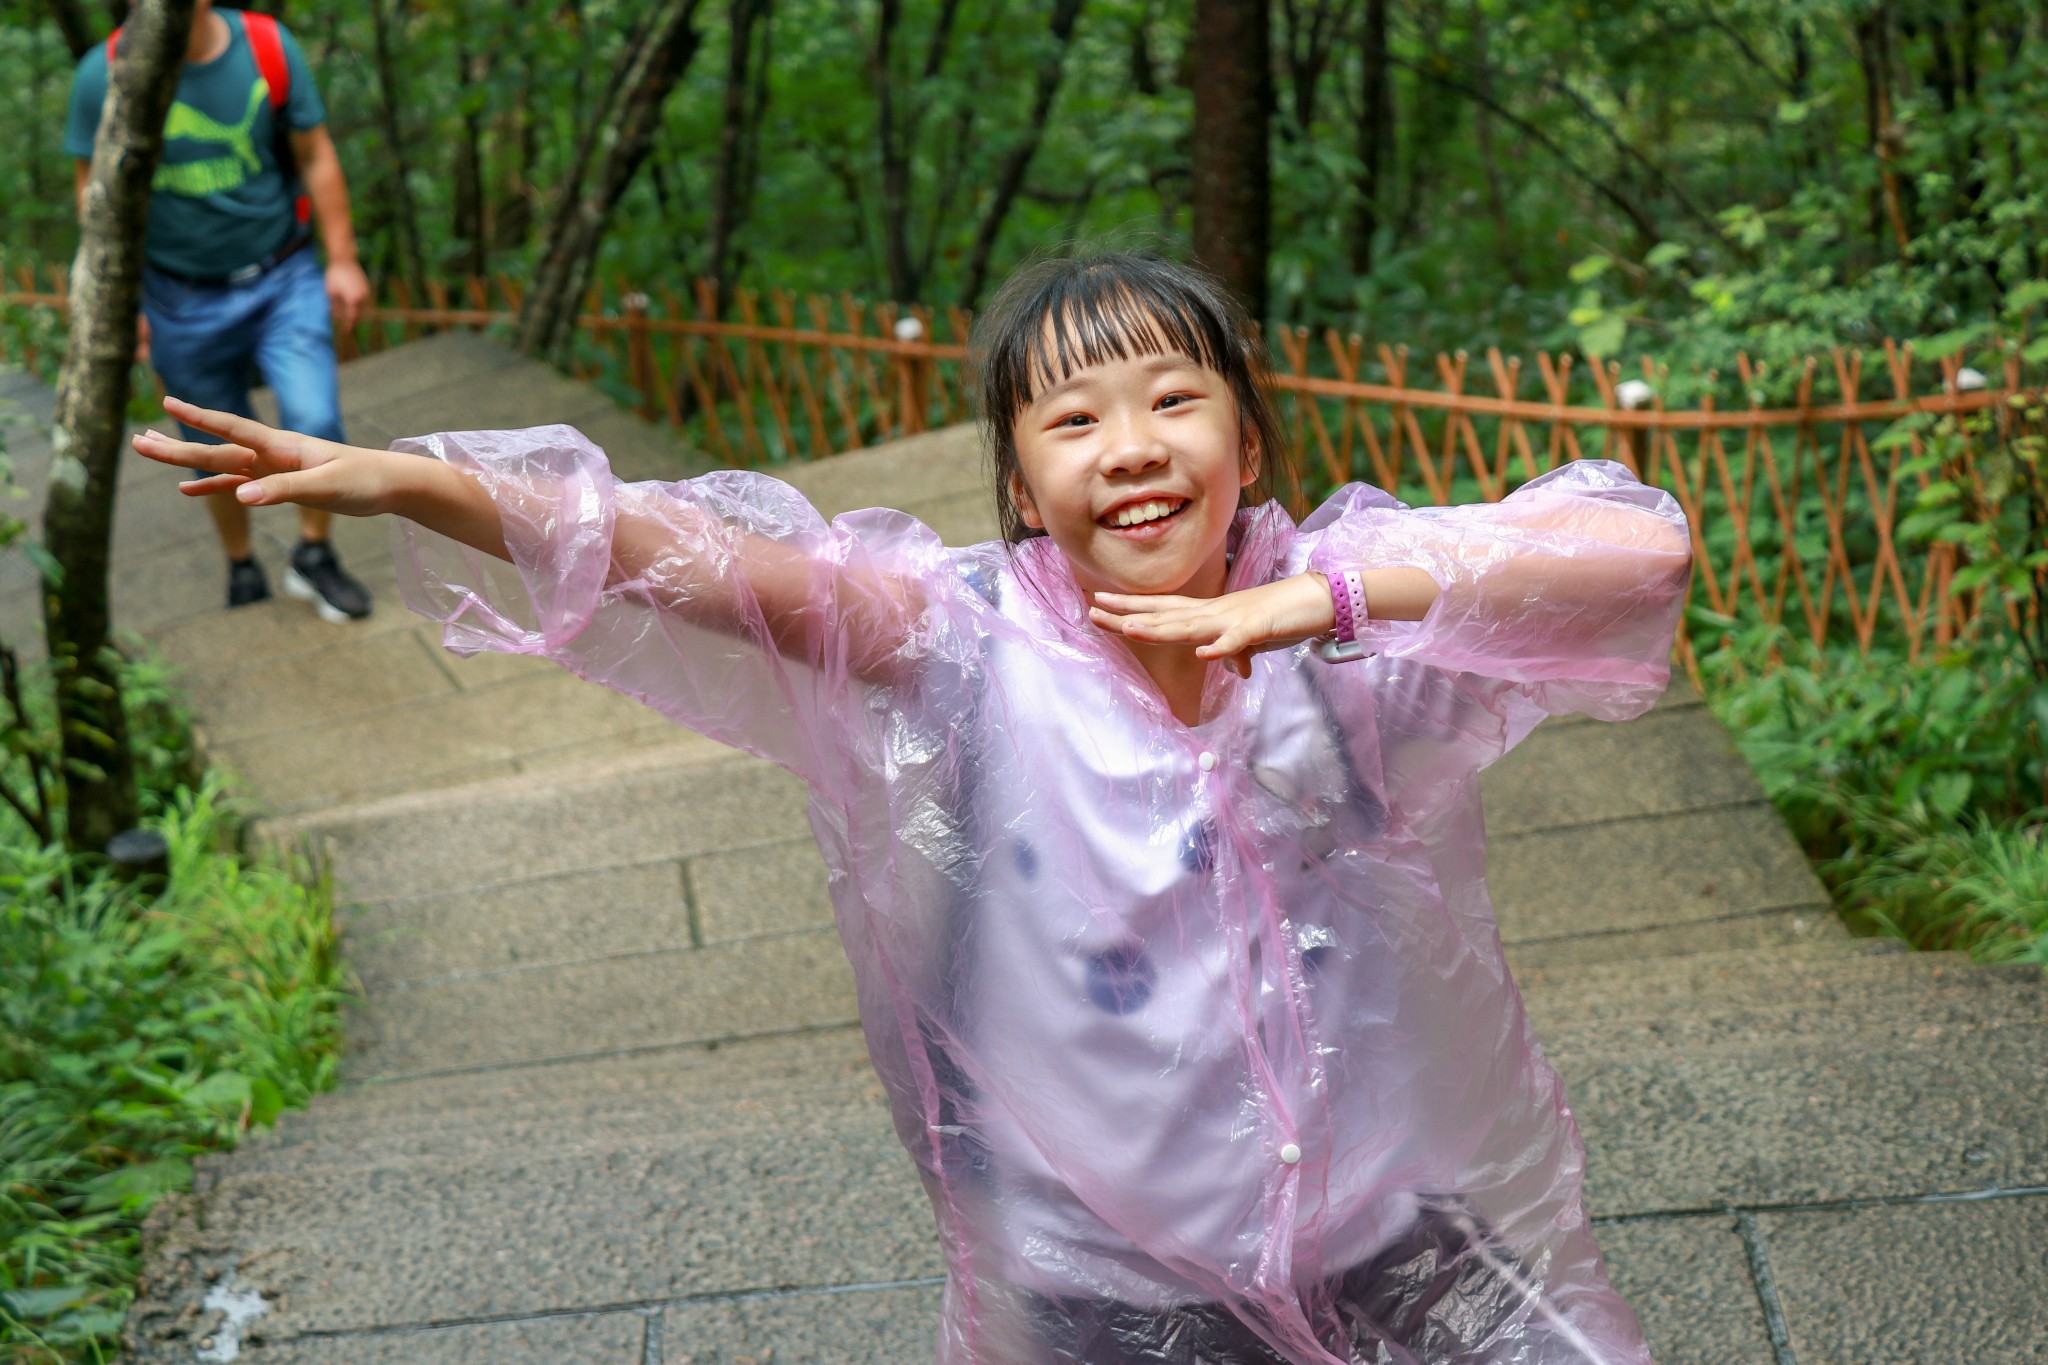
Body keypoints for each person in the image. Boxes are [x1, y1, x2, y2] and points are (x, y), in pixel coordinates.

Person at [134, 251, 1693, 1364]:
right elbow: (698, 558)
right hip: (1105, 1284)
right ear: (1019, 483)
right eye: (1073, 420)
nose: (1133, 450)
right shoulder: (956, 643)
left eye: (1174, 402)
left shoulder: (1349, 632)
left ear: (1249, 439)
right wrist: (425, 485)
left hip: (1393, 1239)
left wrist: (1326, 602)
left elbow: (1636, 558)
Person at [66, 0, 373, 621]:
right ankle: (240, 562)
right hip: (177, 297)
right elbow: (91, 188)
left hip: (282, 275)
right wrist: (122, 304)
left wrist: (341, 258)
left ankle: (314, 553)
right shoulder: (104, 73)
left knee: (315, 417)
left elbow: (315, 153)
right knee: (213, 447)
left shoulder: (265, 46)